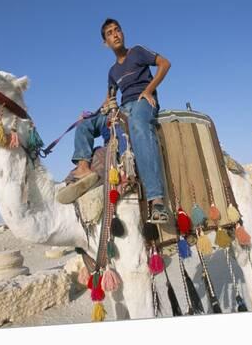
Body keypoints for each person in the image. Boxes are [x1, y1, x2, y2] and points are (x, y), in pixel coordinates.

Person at [57, 18, 171, 223]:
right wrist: (95, 113)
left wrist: (148, 90)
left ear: (123, 33)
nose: (115, 34)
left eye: (117, 30)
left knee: (137, 125)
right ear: (105, 42)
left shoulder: (136, 51)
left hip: (142, 102)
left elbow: (165, 63)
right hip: (123, 108)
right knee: (85, 123)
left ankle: (157, 200)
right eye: (109, 33)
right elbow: (109, 97)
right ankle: (83, 169)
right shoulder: (112, 72)